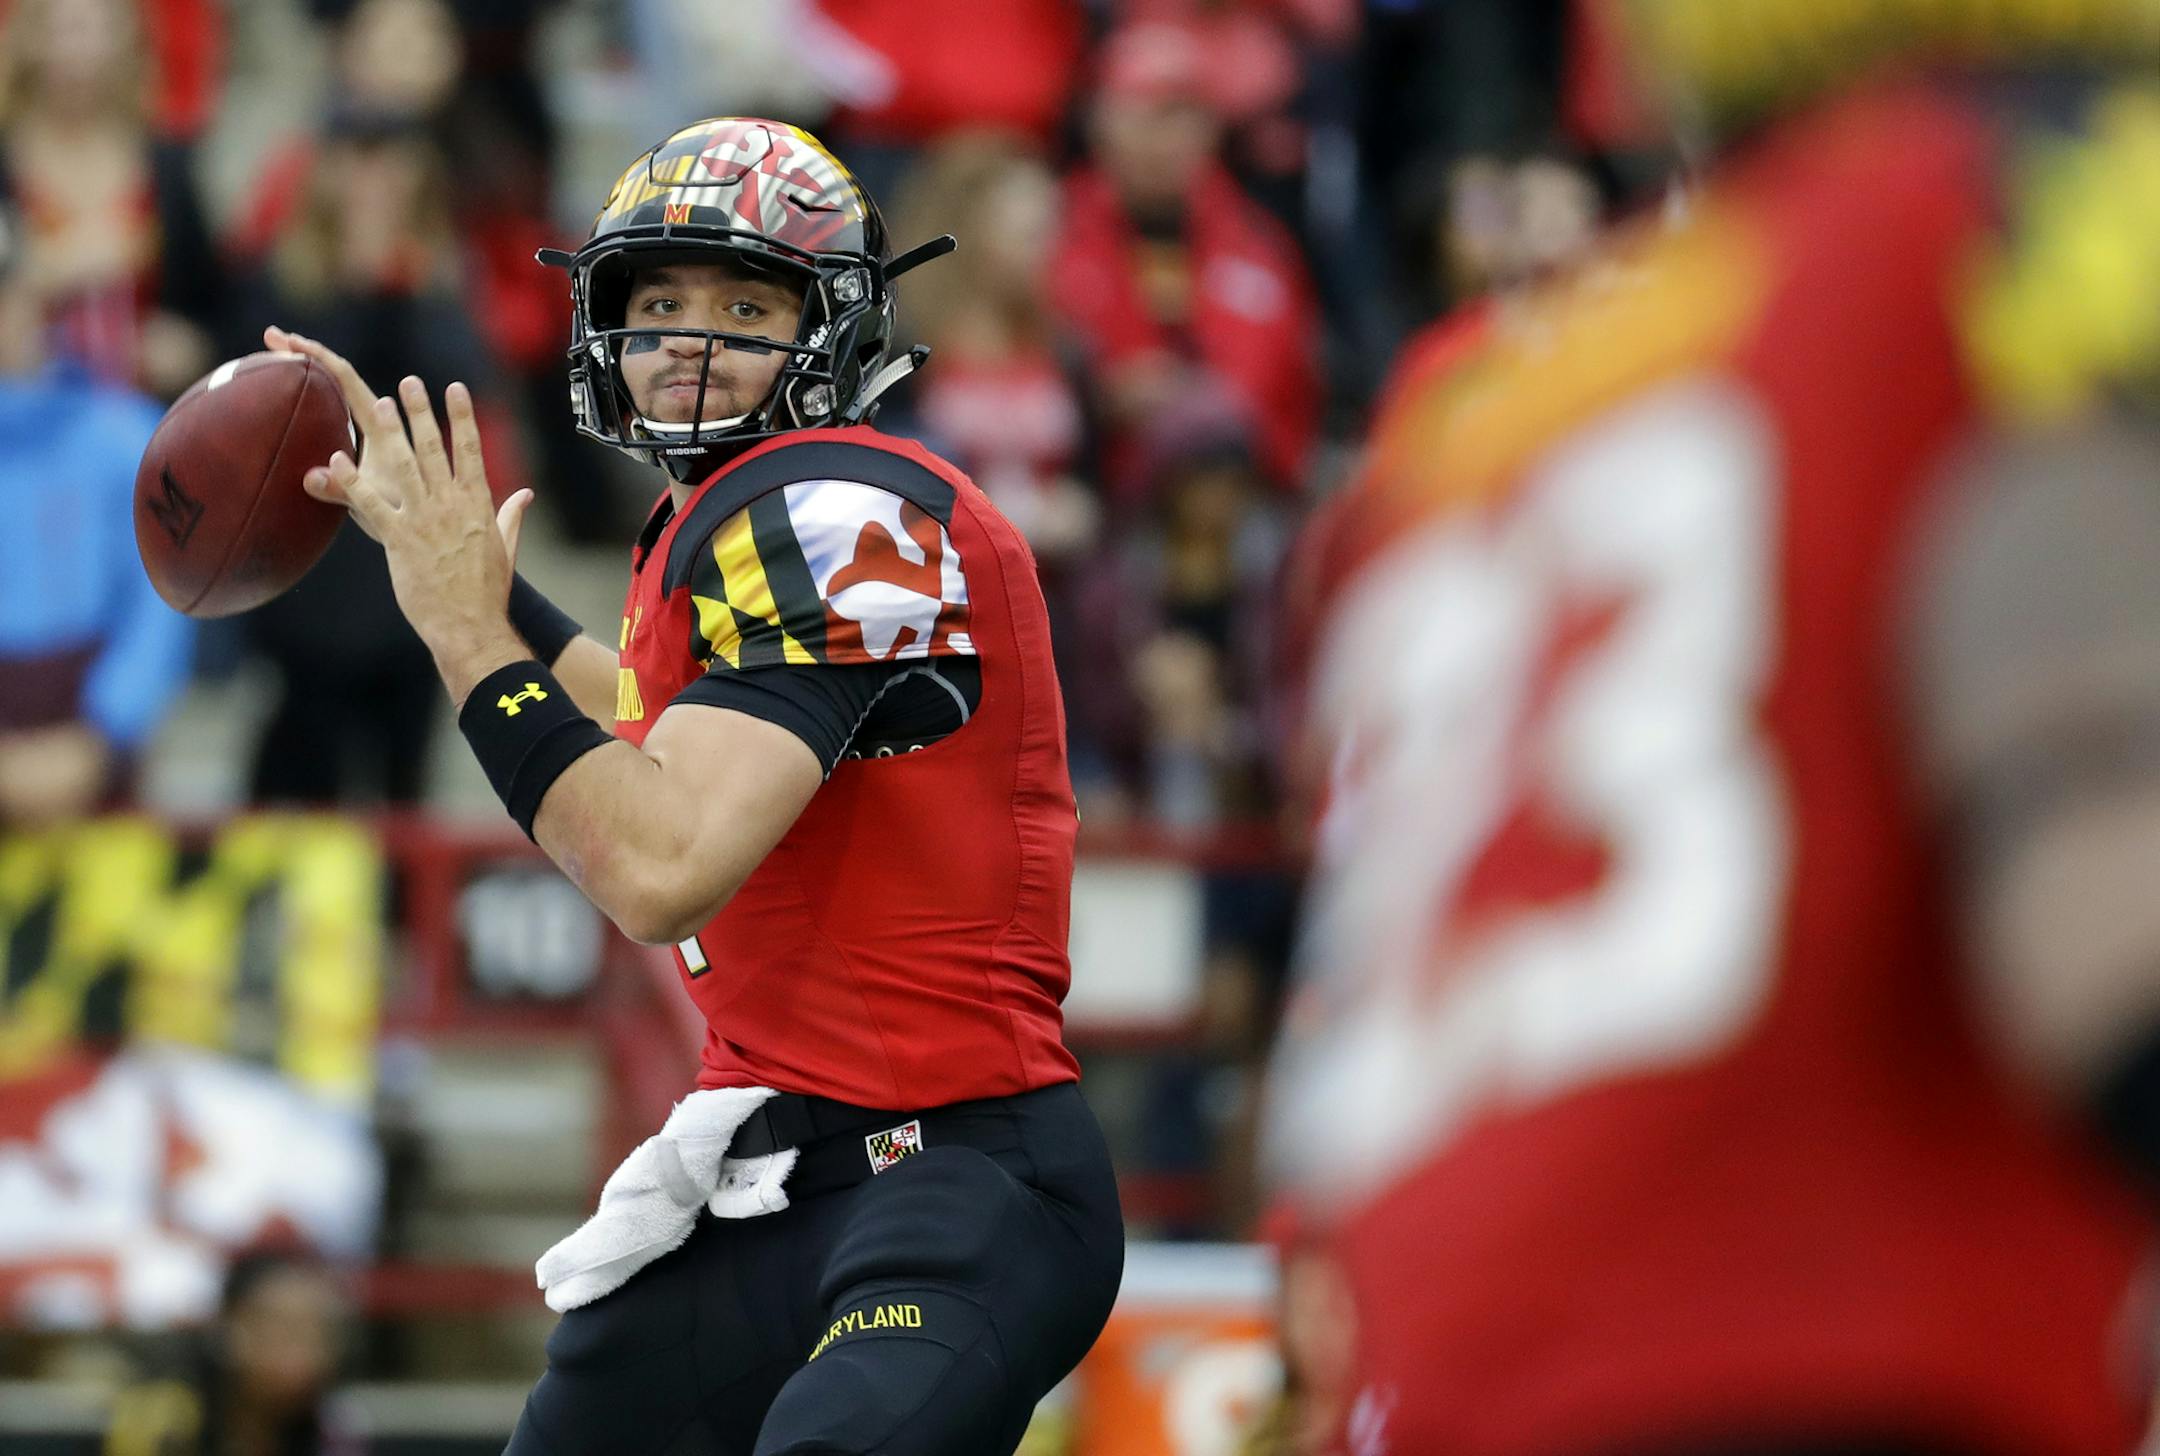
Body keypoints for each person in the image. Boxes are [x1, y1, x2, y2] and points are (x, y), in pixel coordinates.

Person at [1262, 5, 2160, 1456]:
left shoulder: (1470, 427)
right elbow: (2091, 818)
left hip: (1455, 1364)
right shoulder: (1995, 202)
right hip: (1846, 1341)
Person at [265, 116, 1124, 1454]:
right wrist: (474, 583)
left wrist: (467, 631)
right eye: (658, 303)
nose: (688, 339)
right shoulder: (735, 515)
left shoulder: (841, 509)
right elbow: (655, 724)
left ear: (835, 325)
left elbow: (663, 866)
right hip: (773, 1188)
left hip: (952, 1177)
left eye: (744, 306)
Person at [0, 203, 193, 830]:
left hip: (100, 751)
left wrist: (104, 729)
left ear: (31, 294)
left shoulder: (125, 435)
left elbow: (163, 595)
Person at [104, 1249, 362, 1456]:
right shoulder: (162, 1416)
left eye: (320, 1333)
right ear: (229, 1328)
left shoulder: (335, 1429)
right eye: (284, 1330)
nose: (307, 1353)